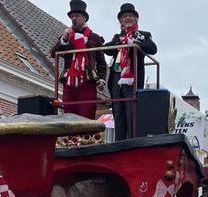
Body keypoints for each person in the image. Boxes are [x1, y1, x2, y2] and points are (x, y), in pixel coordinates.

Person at [104, 3, 157, 141]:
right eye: (124, 17)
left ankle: (132, 141)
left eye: (130, 16)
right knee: (118, 111)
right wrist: (119, 44)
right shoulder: (117, 37)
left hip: (132, 77)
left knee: (131, 112)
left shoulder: (142, 35)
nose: (127, 18)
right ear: (120, 21)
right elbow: (105, 49)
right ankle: (119, 142)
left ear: (136, 19)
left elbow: (153, 48)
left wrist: (133, 43)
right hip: (116, 77)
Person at [51, 0, 107, 120]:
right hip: (69, 80)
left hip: (87, 80)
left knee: (86, 112)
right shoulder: (67, 37)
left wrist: (101, 79)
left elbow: (101, 62)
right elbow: (53, 53)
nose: (74, 19)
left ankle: (86, 139)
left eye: (77, 16)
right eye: (72, 16)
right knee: (69, 112)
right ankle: (70, 139)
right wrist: (64, 39)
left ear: (84, 18)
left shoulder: (94, 38)